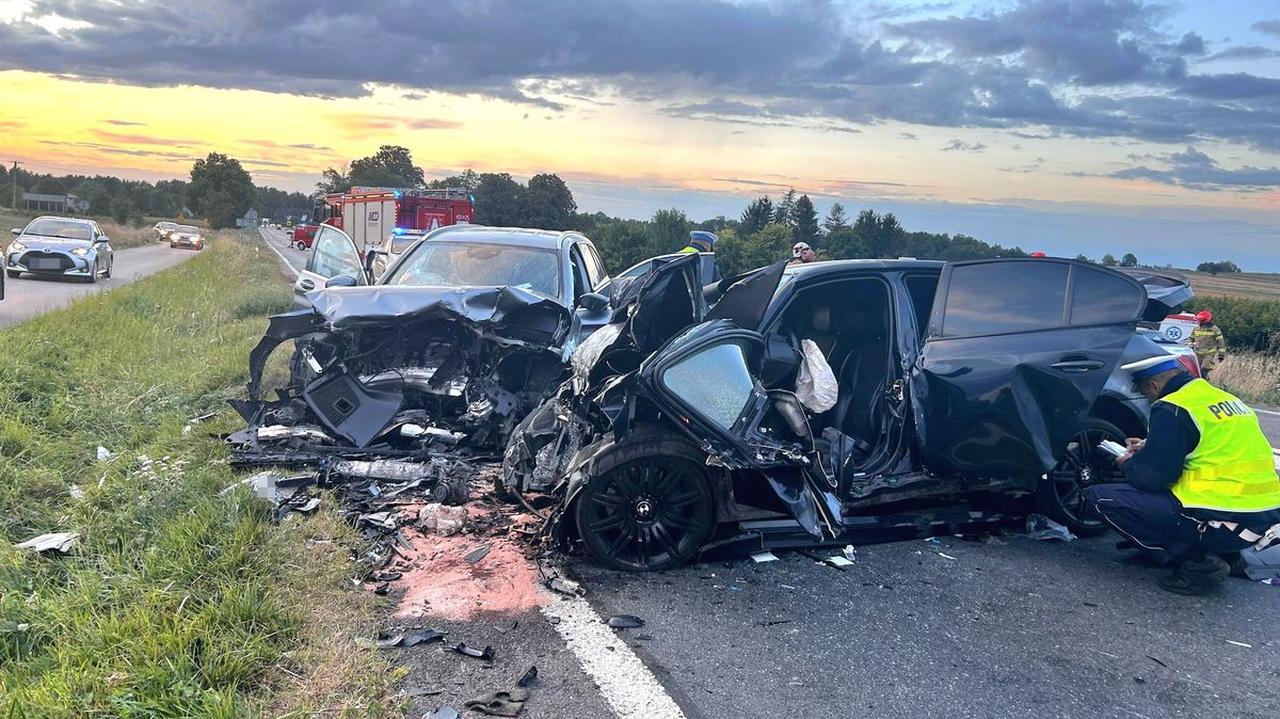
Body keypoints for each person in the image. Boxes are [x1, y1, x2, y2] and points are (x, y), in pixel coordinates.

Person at [1082, 354, 1280, 595]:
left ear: (1154, 386)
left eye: (1146, 393)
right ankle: (1229, 555)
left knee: (1101, 498)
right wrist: (1151, 445)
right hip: (1259, 518)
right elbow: (1214, 449)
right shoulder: (1225, 400)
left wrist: (1128, 463)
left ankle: (1198, 564)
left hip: (1219, 523)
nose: (1147, 398)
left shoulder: (1173, 407)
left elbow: (1152, 478)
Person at [1189, 310, 1227, 378]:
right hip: (1198, 354)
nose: (1198, 321)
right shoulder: (1196, 328)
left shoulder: (1214, 329)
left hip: (1209, 354)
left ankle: (1205, 381)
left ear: (1204, 320)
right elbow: (1191, 338)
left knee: (1203, 370)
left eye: (1199, 320)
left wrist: (1221, 355)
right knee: (1196, 372)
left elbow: (1221, 342)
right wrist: (1191, 346)